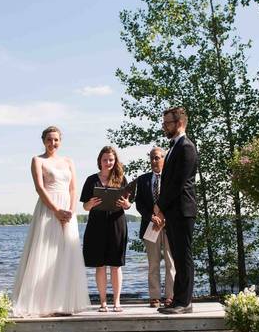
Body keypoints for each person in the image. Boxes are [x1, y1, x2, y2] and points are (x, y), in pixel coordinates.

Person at [11, 126, 89, 317]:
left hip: (68, 211)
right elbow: (39, 188)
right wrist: (57, 211)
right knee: (45, 255)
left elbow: (72, 189)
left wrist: (70, 211)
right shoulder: (37, 160)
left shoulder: (69, 161)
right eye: (49, 139)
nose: (52, 143)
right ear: (43, 140)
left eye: (56, 140)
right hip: (48, 209)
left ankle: (63, 303)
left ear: (60, 141)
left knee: (65, 254)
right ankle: (41, 303)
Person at [155, 106, 197, 315]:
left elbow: (178, 183)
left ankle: (184, 302)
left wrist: (160, 206)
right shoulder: (174, 147)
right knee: (178, 257)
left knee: (183, 256)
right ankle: (177, 300)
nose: (164, 127)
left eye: (167, 123)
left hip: (182, 210)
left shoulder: (186, 147)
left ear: (179, 123)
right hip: (173, 210)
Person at [81, 146, 131, 312]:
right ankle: (103, 302)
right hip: (96, 226)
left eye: (111, 159)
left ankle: (117, 302)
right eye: (105, 159)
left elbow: (128, 204)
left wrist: (126, 204)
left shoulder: (122, 179)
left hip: (117, 224)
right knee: (100, 265)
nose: (108, 162)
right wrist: (91, 203)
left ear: (115, 161)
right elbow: (85, 207)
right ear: (99, 161)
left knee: (116, 265)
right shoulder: (91, 180)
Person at [134, 146, 175, 308]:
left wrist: (164, 217)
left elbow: (175, 201)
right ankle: (155, 297)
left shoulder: (172, 178)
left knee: (171, 262)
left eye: (157, 157)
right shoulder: (143, 179)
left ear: (164, 159)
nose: (154, 161)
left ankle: (170, 296)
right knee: (153, 263)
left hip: (169, 225)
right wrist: (151, 217)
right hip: (150, 226)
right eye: (151, 158)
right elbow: (139, 204)